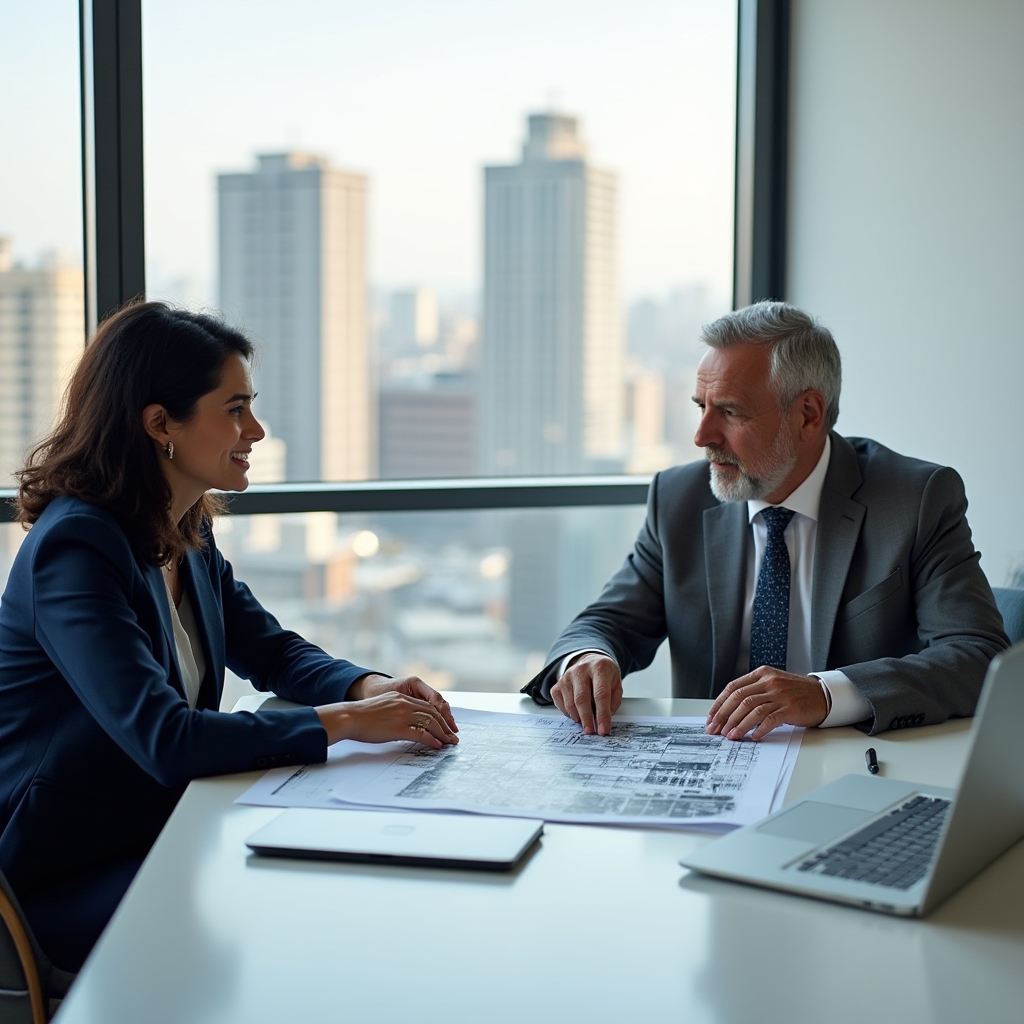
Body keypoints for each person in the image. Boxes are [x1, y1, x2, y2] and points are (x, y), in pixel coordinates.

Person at [0, 302, 459, 972]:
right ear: (161, 424)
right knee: (288, 929)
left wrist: (369, 686)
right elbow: (167, 739)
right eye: (235, 408)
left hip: (160, 834)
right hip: (64, 874)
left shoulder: (182, 527)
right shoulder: (75, 549)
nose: (258, 430)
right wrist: (351, 720)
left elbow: (268, 648)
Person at [523, 301, 1009, 739]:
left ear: (808, 414)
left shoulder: (914, 499)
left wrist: (825, 694)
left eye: (729, 412)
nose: (701, 435)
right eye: (701, 407)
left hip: (857, 771)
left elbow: (978, 654)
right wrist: (587, 658)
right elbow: (607, 622)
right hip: (713, 769)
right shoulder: (679, 499)